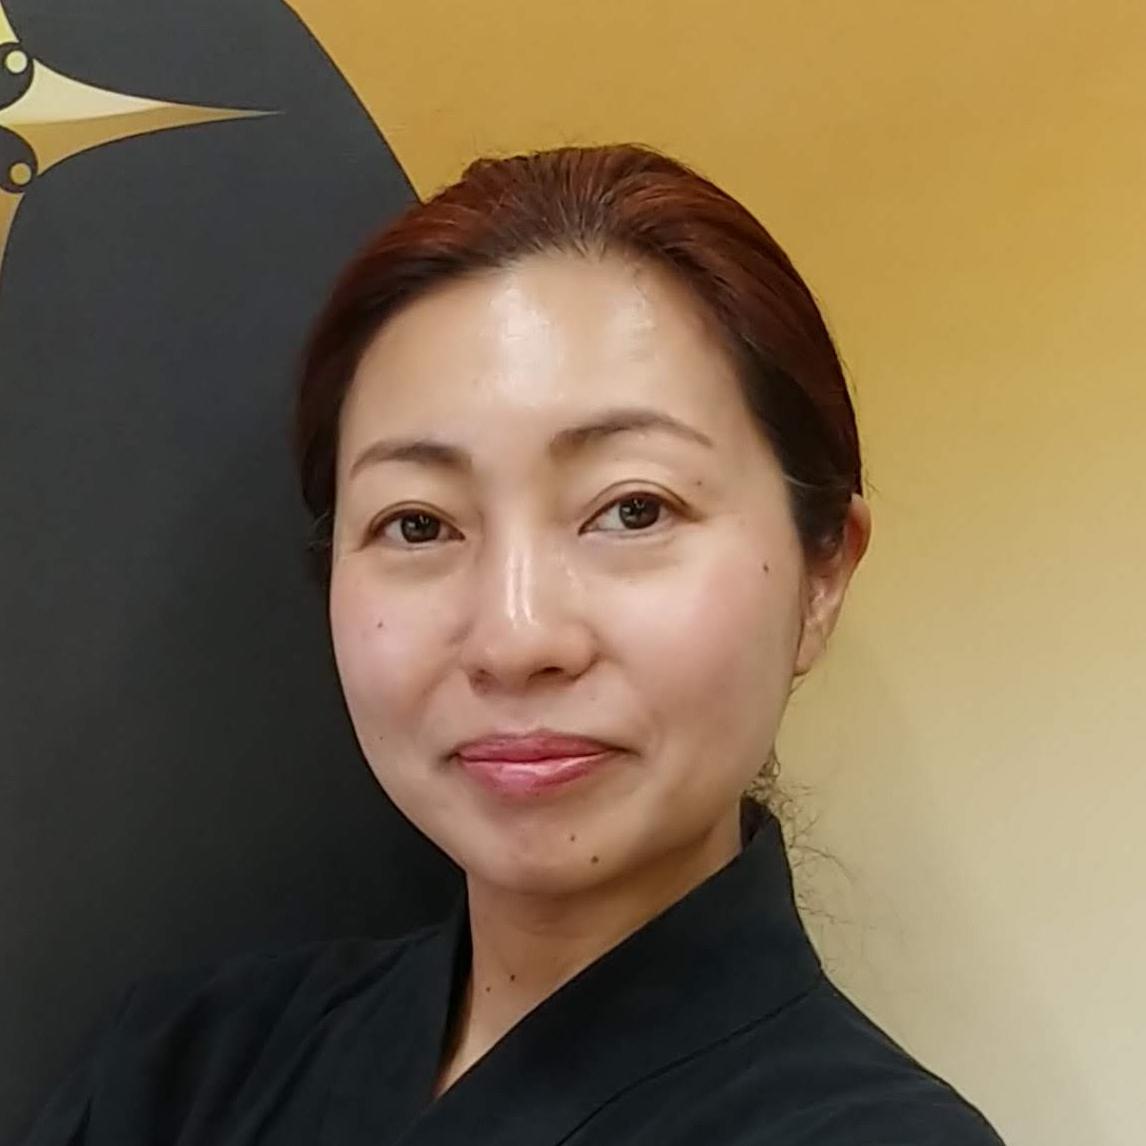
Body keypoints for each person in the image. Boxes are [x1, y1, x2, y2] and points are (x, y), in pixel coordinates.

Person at [21, 143, 1005, 1145]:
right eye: (418, 524)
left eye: (632, 509)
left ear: (822, 573)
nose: (515, 636)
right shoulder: (181, 1072)